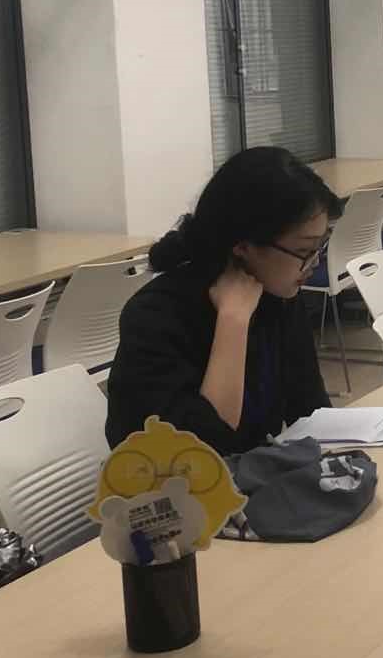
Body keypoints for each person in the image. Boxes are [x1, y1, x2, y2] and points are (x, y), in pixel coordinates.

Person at [106, 147, 342, 456]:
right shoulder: (155, 316)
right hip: (179, 481)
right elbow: (199, 453)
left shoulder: (279, 296)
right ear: (243, 246)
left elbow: (311, 412)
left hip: (254, 477)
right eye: (304, 251)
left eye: (320, 246)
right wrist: (232, 322)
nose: (315, 262)